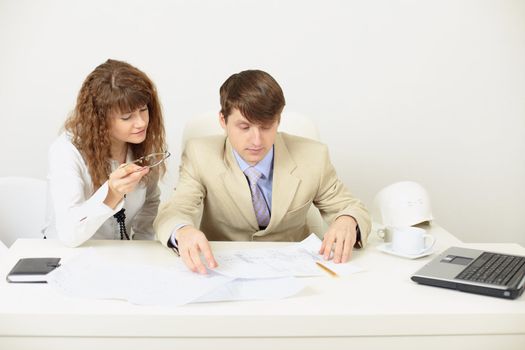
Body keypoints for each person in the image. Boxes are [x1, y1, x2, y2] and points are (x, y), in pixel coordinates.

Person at [154, 69, 370, 273]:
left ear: (278, 121)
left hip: (294, 270)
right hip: (222, 268)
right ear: (223, 120)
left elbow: (352, 207)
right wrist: (183, 230)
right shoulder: (200, 154)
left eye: (266, 126)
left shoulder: (313, 156)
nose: (256, 141)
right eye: (245, 127)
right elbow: (175, 211)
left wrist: (348, 220)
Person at [45, 59, 167, 247]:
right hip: (68, 254)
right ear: (100, 120)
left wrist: (143, 246)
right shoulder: (65, 151)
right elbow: (70, 234)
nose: (142, 122)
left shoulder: (143, 145)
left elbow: (150, 202)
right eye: (127, 117)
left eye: (144, 110)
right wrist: (111, 194)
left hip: (119, 255)